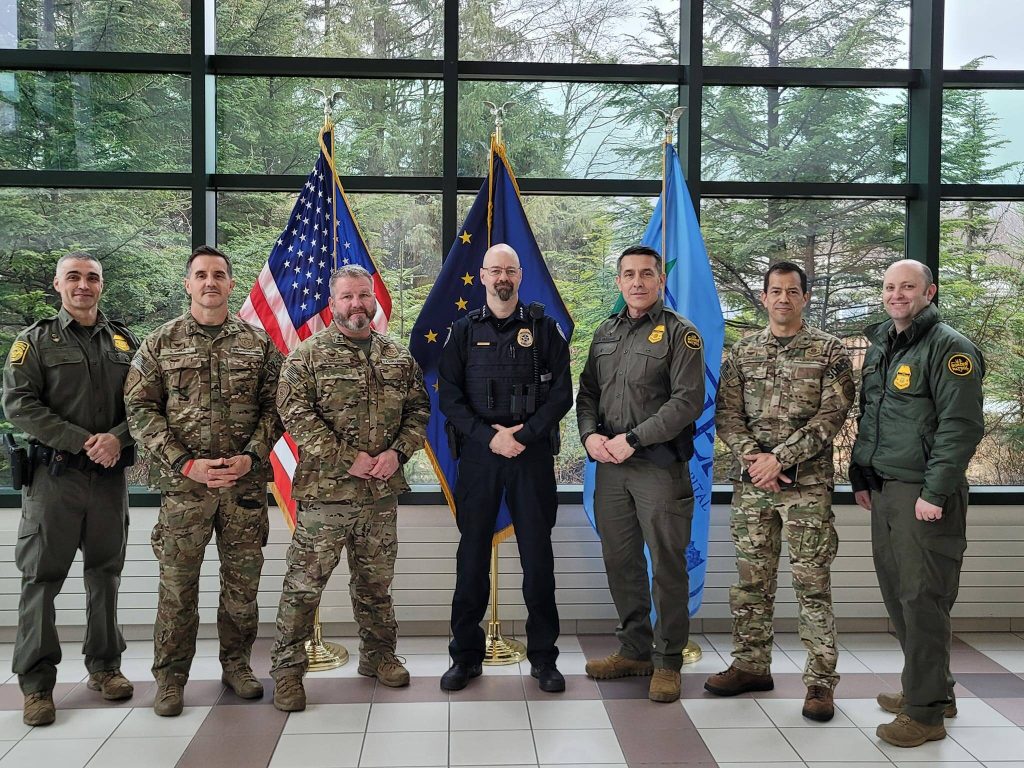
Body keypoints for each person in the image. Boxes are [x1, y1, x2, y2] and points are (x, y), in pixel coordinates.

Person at [124, 245, 282, 717]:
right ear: (188, 283)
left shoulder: (259, 345)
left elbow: (280, 407)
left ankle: (237, 666)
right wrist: (183, 463)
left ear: (231, 284)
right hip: (184, 489)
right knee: (177, 588)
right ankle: (171, 680)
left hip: (244, 488)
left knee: (242, 586)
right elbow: (139, 410)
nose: (210, 282)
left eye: (219, 274)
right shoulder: (159, 343)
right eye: (201, 275)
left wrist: (251, 457)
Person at [270, 265, 429, 712]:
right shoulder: (306, 356)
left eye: (363, 295)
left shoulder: (396, 356)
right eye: (347, 297)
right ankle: (286, 671)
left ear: (373, 298)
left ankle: (378, 657)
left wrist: (398, 452)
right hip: (326, 496)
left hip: (379, 495)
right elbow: (296, 416)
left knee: (375, 584)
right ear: (332, 302)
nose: (356, 304)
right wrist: (348, 458)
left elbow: (419, 411)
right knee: (304, 587)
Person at [704, 261, 855, 722]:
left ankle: (819, 684)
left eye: (793, 291)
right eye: (775, 291)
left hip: (807, 487)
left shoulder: (830, 351)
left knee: (812, 587)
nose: (784, 299)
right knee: (752, 583)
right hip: (753, 487)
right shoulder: (743, 351)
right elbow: (725, 412)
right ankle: (751, 666)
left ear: (805, 298)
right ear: (764, 297)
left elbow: (832, 417)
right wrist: (756, 459)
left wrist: (780, 459)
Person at [850, 259, 984, 748]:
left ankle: (925, 715)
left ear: (929, 291)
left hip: (923, 494)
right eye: (889, 287)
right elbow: (874, 414)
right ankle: (932, 690)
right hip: (886, 490)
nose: (896, 294)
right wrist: (861, 471)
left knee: (922, 600)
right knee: (898, 597)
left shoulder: (950, 348)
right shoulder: (885, 341)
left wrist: (934, 491)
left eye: (907, 287)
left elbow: (960, 427)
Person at [2, 253, 138, 726]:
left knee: (106, 573)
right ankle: (37, 686)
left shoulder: (123, 341)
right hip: (54, 479)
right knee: (41, 579)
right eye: (74, 277)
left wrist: (116, 439)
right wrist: (84, 441)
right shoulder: (33, 341)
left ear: (102, 285)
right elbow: (19, 405)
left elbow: (146, 400)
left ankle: (105, 668)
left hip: (107, 480)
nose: (84, 285)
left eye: (93, 278)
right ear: (58, 284)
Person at [437, 243, 572, 693]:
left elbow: (561, 396)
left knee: (538, 559)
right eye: (494, 269)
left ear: (520, 276)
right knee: (471, 557)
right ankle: (466, 657)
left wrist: (523, 435)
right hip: (480, 457)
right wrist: (490, 436)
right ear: (481, 275)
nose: (502, 277)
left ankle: (544, 659)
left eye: (509, 270)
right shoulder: (461, 330)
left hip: (530, 457)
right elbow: (449, 398)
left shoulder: (545, 328)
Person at [576, 244, 705, 703]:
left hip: (658, 467)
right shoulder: (604, 333)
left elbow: (687, 402)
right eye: (628, 274)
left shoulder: (680, 334)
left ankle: (668, 661)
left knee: (667, 565)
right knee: (622, 562)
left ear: (660, 280)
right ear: (618, 282)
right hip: (610, 470)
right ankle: (634, 650)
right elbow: (587, 391)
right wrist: (589, 435)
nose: (637, 282)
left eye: (646, 274)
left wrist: (631, 439)